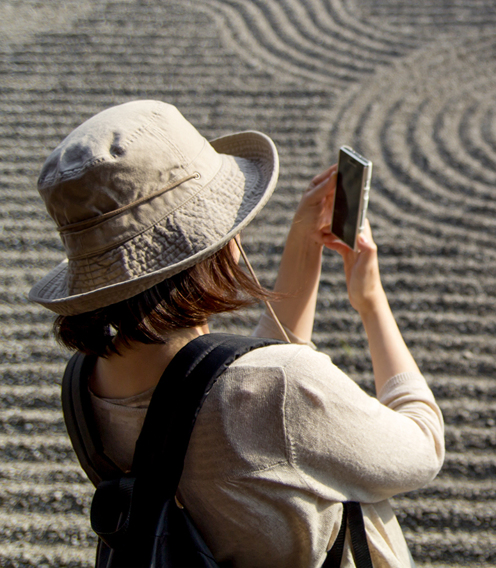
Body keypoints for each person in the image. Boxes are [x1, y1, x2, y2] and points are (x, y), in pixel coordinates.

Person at [28, 100, 444, 567]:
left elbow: (217, 387)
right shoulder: (277, 388)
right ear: (209, 246)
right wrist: (372, 303)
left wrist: (303, 250)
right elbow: (422, 446)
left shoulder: (85, 384)